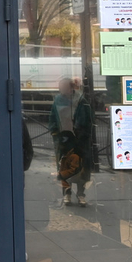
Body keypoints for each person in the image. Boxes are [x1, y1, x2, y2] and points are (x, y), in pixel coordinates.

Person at [48, 76, 95, 207]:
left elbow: (88, 120)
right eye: (60, 86)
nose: (60, 89)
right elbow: (52, 118)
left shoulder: (81, 101)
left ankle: (81, 194)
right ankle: (67, 193)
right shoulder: (57, 100)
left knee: (81, 169)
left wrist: (82, 136)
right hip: (63, 141)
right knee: (64, 168)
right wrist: (55, 133)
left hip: (79, 142)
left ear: (70, 88)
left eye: (63, 86)